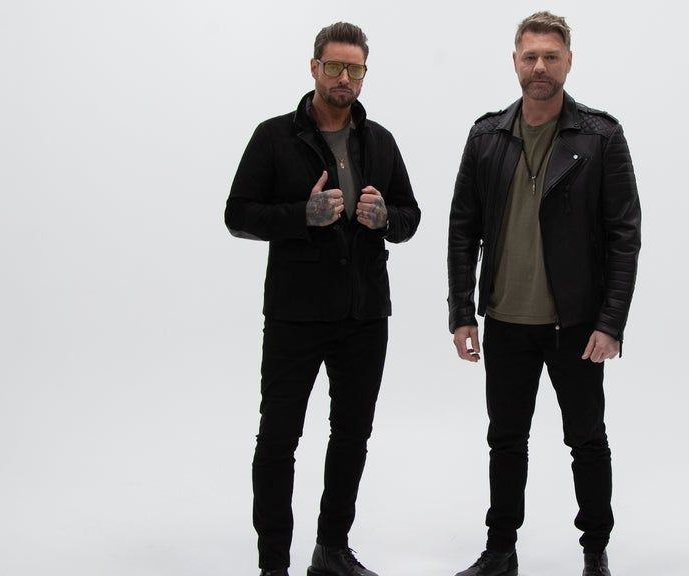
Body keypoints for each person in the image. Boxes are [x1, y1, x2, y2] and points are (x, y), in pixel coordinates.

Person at [447, 11, 641, 576]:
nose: (540, 67)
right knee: (506, 440)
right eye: (530, 56)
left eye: (550, 57)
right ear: (514, 61)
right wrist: (462, 313)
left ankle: (595, 553)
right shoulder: (486, 137)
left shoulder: (601, 137)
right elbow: (462, 230)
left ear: (568, 62)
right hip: (506, 320)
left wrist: (610, 322)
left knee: (587, 440)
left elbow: (624, 233)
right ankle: (500, 550)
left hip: (576, 326)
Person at [225, 21, 420, 576]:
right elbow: (238, 215)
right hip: (295, 314)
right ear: (314, 67)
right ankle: (273, 564)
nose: (344, 79)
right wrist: (301, 216)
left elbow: (410, 215)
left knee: (352, 435)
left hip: (365, 315)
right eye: (334, 67)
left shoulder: (379, 140)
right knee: (278, 438)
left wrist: (386, 219)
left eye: (355, 69)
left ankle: (331, 550)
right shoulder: (274, 137)